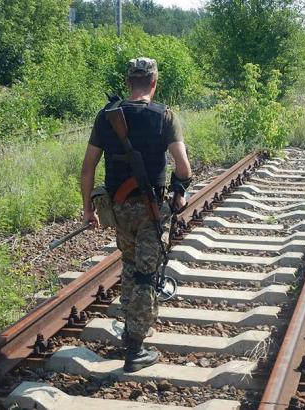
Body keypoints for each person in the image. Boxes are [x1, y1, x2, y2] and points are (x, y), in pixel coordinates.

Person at [80, 57, 192, 372]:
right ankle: (135, 349)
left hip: (118, 208)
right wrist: (180, 192)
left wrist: (88, 209)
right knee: (145, 274)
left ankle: (131, 328)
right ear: (154, 82)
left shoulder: (107, 116)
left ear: (129, 83)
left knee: (130, 266)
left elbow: (87, 169)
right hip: (150, 208)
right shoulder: (165, 117)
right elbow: (183, 168)